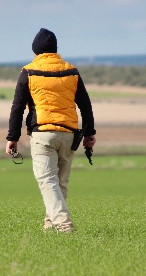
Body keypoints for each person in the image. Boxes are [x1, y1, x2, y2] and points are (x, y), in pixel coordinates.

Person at [5, 28, 96, 233]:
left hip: (43, 133)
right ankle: (50, 227)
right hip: (69, 134)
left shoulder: (28, 72)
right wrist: (90, 133)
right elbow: (85, 104)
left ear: (35, 51)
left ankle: (64, 226)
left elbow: (17, 107)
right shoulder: (71, 71)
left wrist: (12, 138)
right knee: (60, 183)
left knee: (47, 181)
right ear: (55, 49)